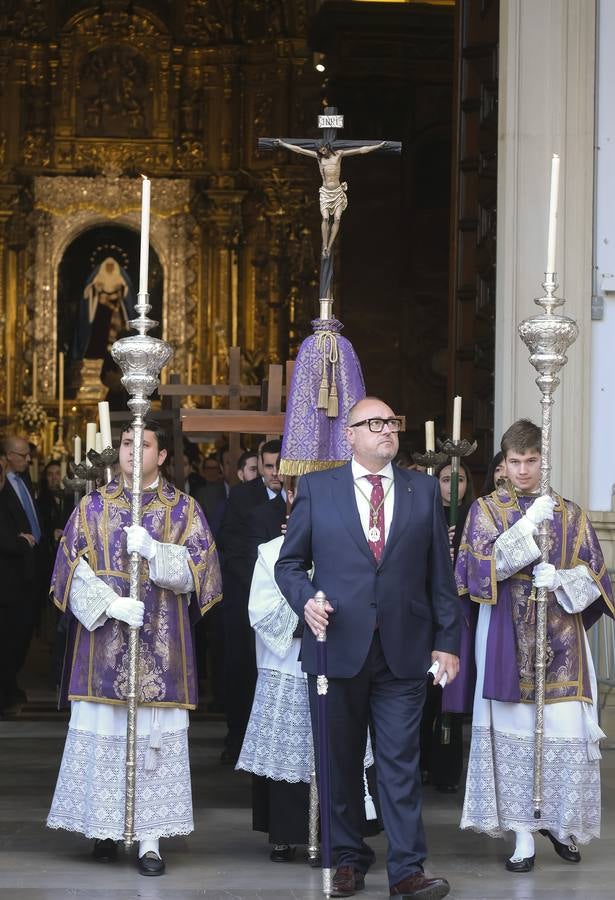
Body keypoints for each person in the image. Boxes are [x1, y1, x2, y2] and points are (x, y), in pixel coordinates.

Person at [275, 396, 460, 900]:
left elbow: (439, 576)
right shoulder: (317, 488)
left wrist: (448, 642)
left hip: (405, 649)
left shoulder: (423, 490)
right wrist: (305, 602)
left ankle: (407, 870)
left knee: (400, 761)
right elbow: (288, 565)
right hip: (335, 647)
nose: (386, 430)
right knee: (337, 761)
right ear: (349, 435)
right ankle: (346, 861)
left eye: (391, 423)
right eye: (373, 423)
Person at [46, 419, 222, 876]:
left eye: (142, 443)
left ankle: (150, 839)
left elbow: (203, 574)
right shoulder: (91, 506)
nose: (131, 451)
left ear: (161, 455)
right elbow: (69, 567)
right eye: (126, 442)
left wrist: (158, 552)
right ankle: (103, 829)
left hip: (161, 650)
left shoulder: (184, 509)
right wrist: (109, 604)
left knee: (154, 741)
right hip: (103, 643)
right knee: (104, 730)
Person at [454, 418, 614, 872]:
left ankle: (560, 825)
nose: (523, 470)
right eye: (514, 461)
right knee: (516, 736)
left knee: (564, 731)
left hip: (562, 641)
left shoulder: (572, 514)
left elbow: (599, 579)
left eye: (532, 460)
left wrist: (564, 578)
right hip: (507, 636)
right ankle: (523, 834)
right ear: (502, 465)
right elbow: (473, 573)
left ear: (545, 461)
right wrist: (525, 529)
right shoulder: (485, 511)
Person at [238, 485, 379, 863]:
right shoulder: (271, 552)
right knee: (289, 750)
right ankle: (286, 834)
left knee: (337, 747)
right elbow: (261, 612)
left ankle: (339, 836)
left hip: (338, 660)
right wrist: (308, 615)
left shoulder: (350, 547)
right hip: (288, 663)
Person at [218, 439, 284, 764]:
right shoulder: (242, 496)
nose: (274, 473)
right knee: (242, 672)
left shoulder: (300, 495)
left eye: (279, 466)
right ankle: (237, 741)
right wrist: (260, 582)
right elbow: (230, 543)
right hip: (248, 598)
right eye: (268, 466)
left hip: (290, 604)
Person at [419, 459, 475, 794]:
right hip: (426, 614)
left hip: (459, 613)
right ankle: (421, 761)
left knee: (450, 698)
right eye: (444, 479)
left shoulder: (474, 517)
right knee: (425, 694)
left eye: (461, 480)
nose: (453, 487)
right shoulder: (425, 514)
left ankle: (446, 770)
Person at [273, 139, 386, 257]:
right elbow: (299, 150)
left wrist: (378, 146)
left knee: (337, 219)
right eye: (320, 150)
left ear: (327, 147)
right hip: (326, 193)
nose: (322, 152)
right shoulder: (319, 158)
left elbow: (360, 150)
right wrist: (282, 144)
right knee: (326, 218)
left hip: (337, 192)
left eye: (323, 149)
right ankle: (324, 245)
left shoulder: (338, 154)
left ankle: (329, 247)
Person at [1, 435, 44, 705]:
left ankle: (10, 684)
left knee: (23, 632)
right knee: (9, 635)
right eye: (21, 455)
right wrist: (18, 542)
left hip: (29, 569)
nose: (28, 459)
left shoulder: (24, 480)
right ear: (6, 457)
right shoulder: (2, 484)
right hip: (9, 573)